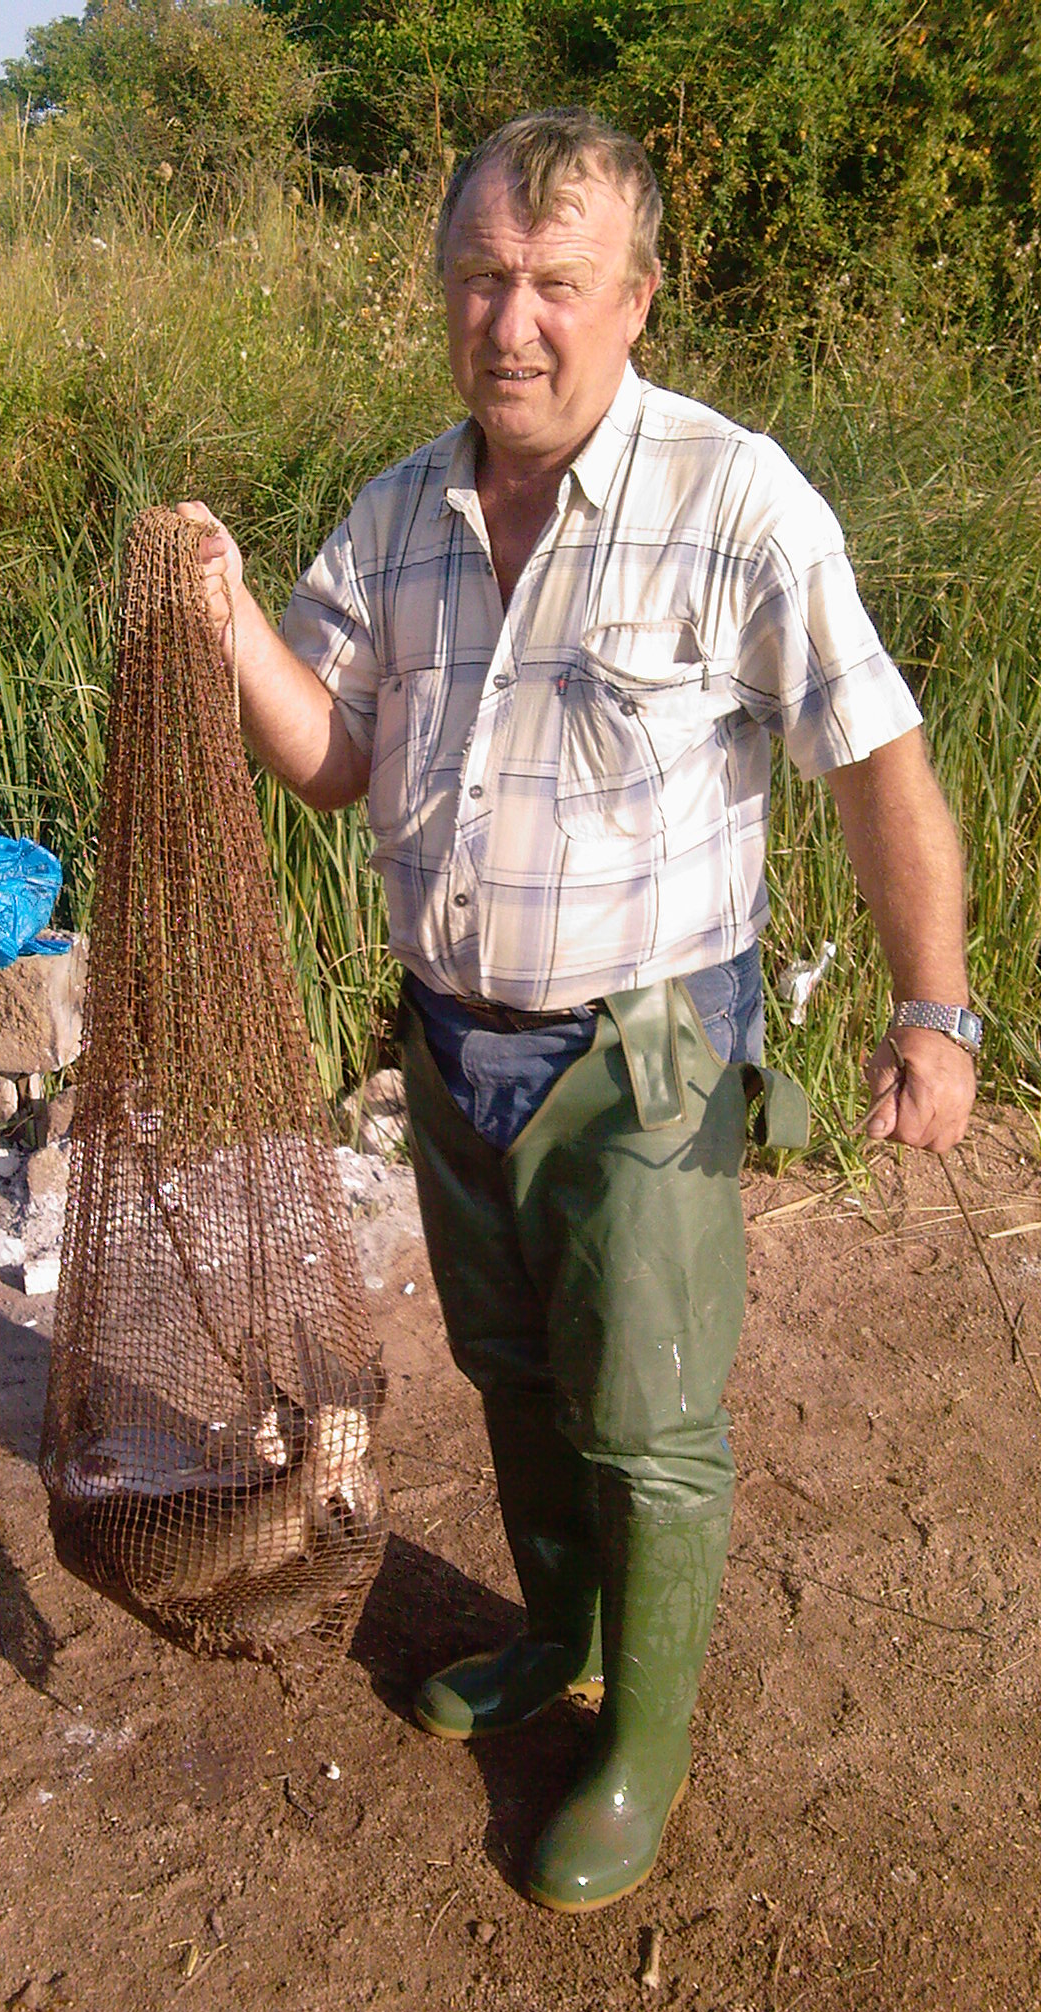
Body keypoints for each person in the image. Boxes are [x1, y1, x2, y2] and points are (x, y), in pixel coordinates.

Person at [177, 105, 978, 1913]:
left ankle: (643, 1749)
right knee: (514, 1372)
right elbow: (336, 758)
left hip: (645, 1057)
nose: (512, 322)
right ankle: (560, 1638)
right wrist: (229, 621)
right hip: (449, 1039)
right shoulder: (402, 511)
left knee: (647, 1417)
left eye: (556, 281)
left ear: (637, 298)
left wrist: (937, 1011)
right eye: (480, 278)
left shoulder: (735, 500)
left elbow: (876, 757)